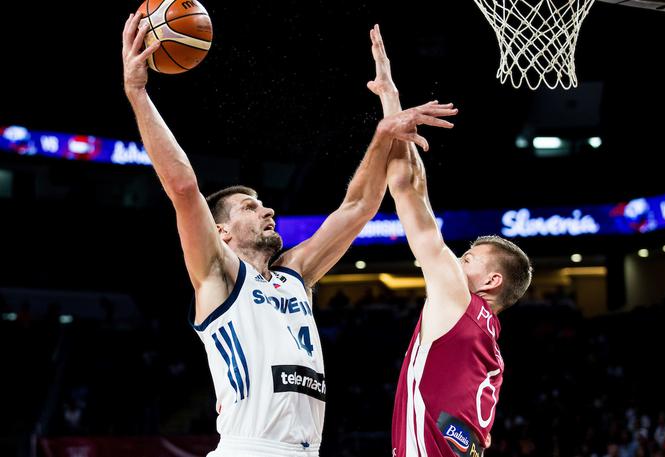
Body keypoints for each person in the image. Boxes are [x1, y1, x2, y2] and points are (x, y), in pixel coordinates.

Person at [121, 13, 457, 457]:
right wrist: (138, 92)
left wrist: (384, 125)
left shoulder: (295, 275)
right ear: (220, 231)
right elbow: (184, 189)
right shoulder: (218, 277)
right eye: (249, 206)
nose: (268, 210)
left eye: (262, 203)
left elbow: (359, 206)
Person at [367, 25, 533, 457]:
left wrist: (391, 103)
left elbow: (406, 192)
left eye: (469, 257)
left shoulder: (459, 301)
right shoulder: (488, 340)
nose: (457, 261)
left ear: (492, 280)